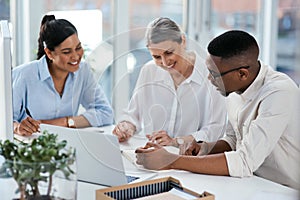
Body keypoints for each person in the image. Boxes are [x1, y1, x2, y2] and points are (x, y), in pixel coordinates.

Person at [135, 30, 300, 189]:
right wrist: (204, 148)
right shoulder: (235, 88)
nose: (209, 78)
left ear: (242, 74)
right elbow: (234, 140)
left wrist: (170, 160)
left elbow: (244, 161)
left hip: (285, 189)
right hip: (253, 182)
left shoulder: (279, 92)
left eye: (214, 74)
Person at [113, 17, 227, 146]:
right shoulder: (149, 71)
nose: (165, 62)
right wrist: (127, 127)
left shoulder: (210, 74)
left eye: (169, 53)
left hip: (192, 159)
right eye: (157, 57)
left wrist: (176, 142)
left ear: (183, 41)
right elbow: (133, 115)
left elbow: (216, 129)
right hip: (153, 154)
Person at [13, 15, 114, 136]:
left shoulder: (83, 71)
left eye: (78, 48)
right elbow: (5, 121)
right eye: (67, 52)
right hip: (30, 146)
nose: (76, 56)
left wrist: (65, 122)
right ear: (49, 53)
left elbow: (105, 113)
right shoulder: (25, 75)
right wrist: (18, 128)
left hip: (67, 142)